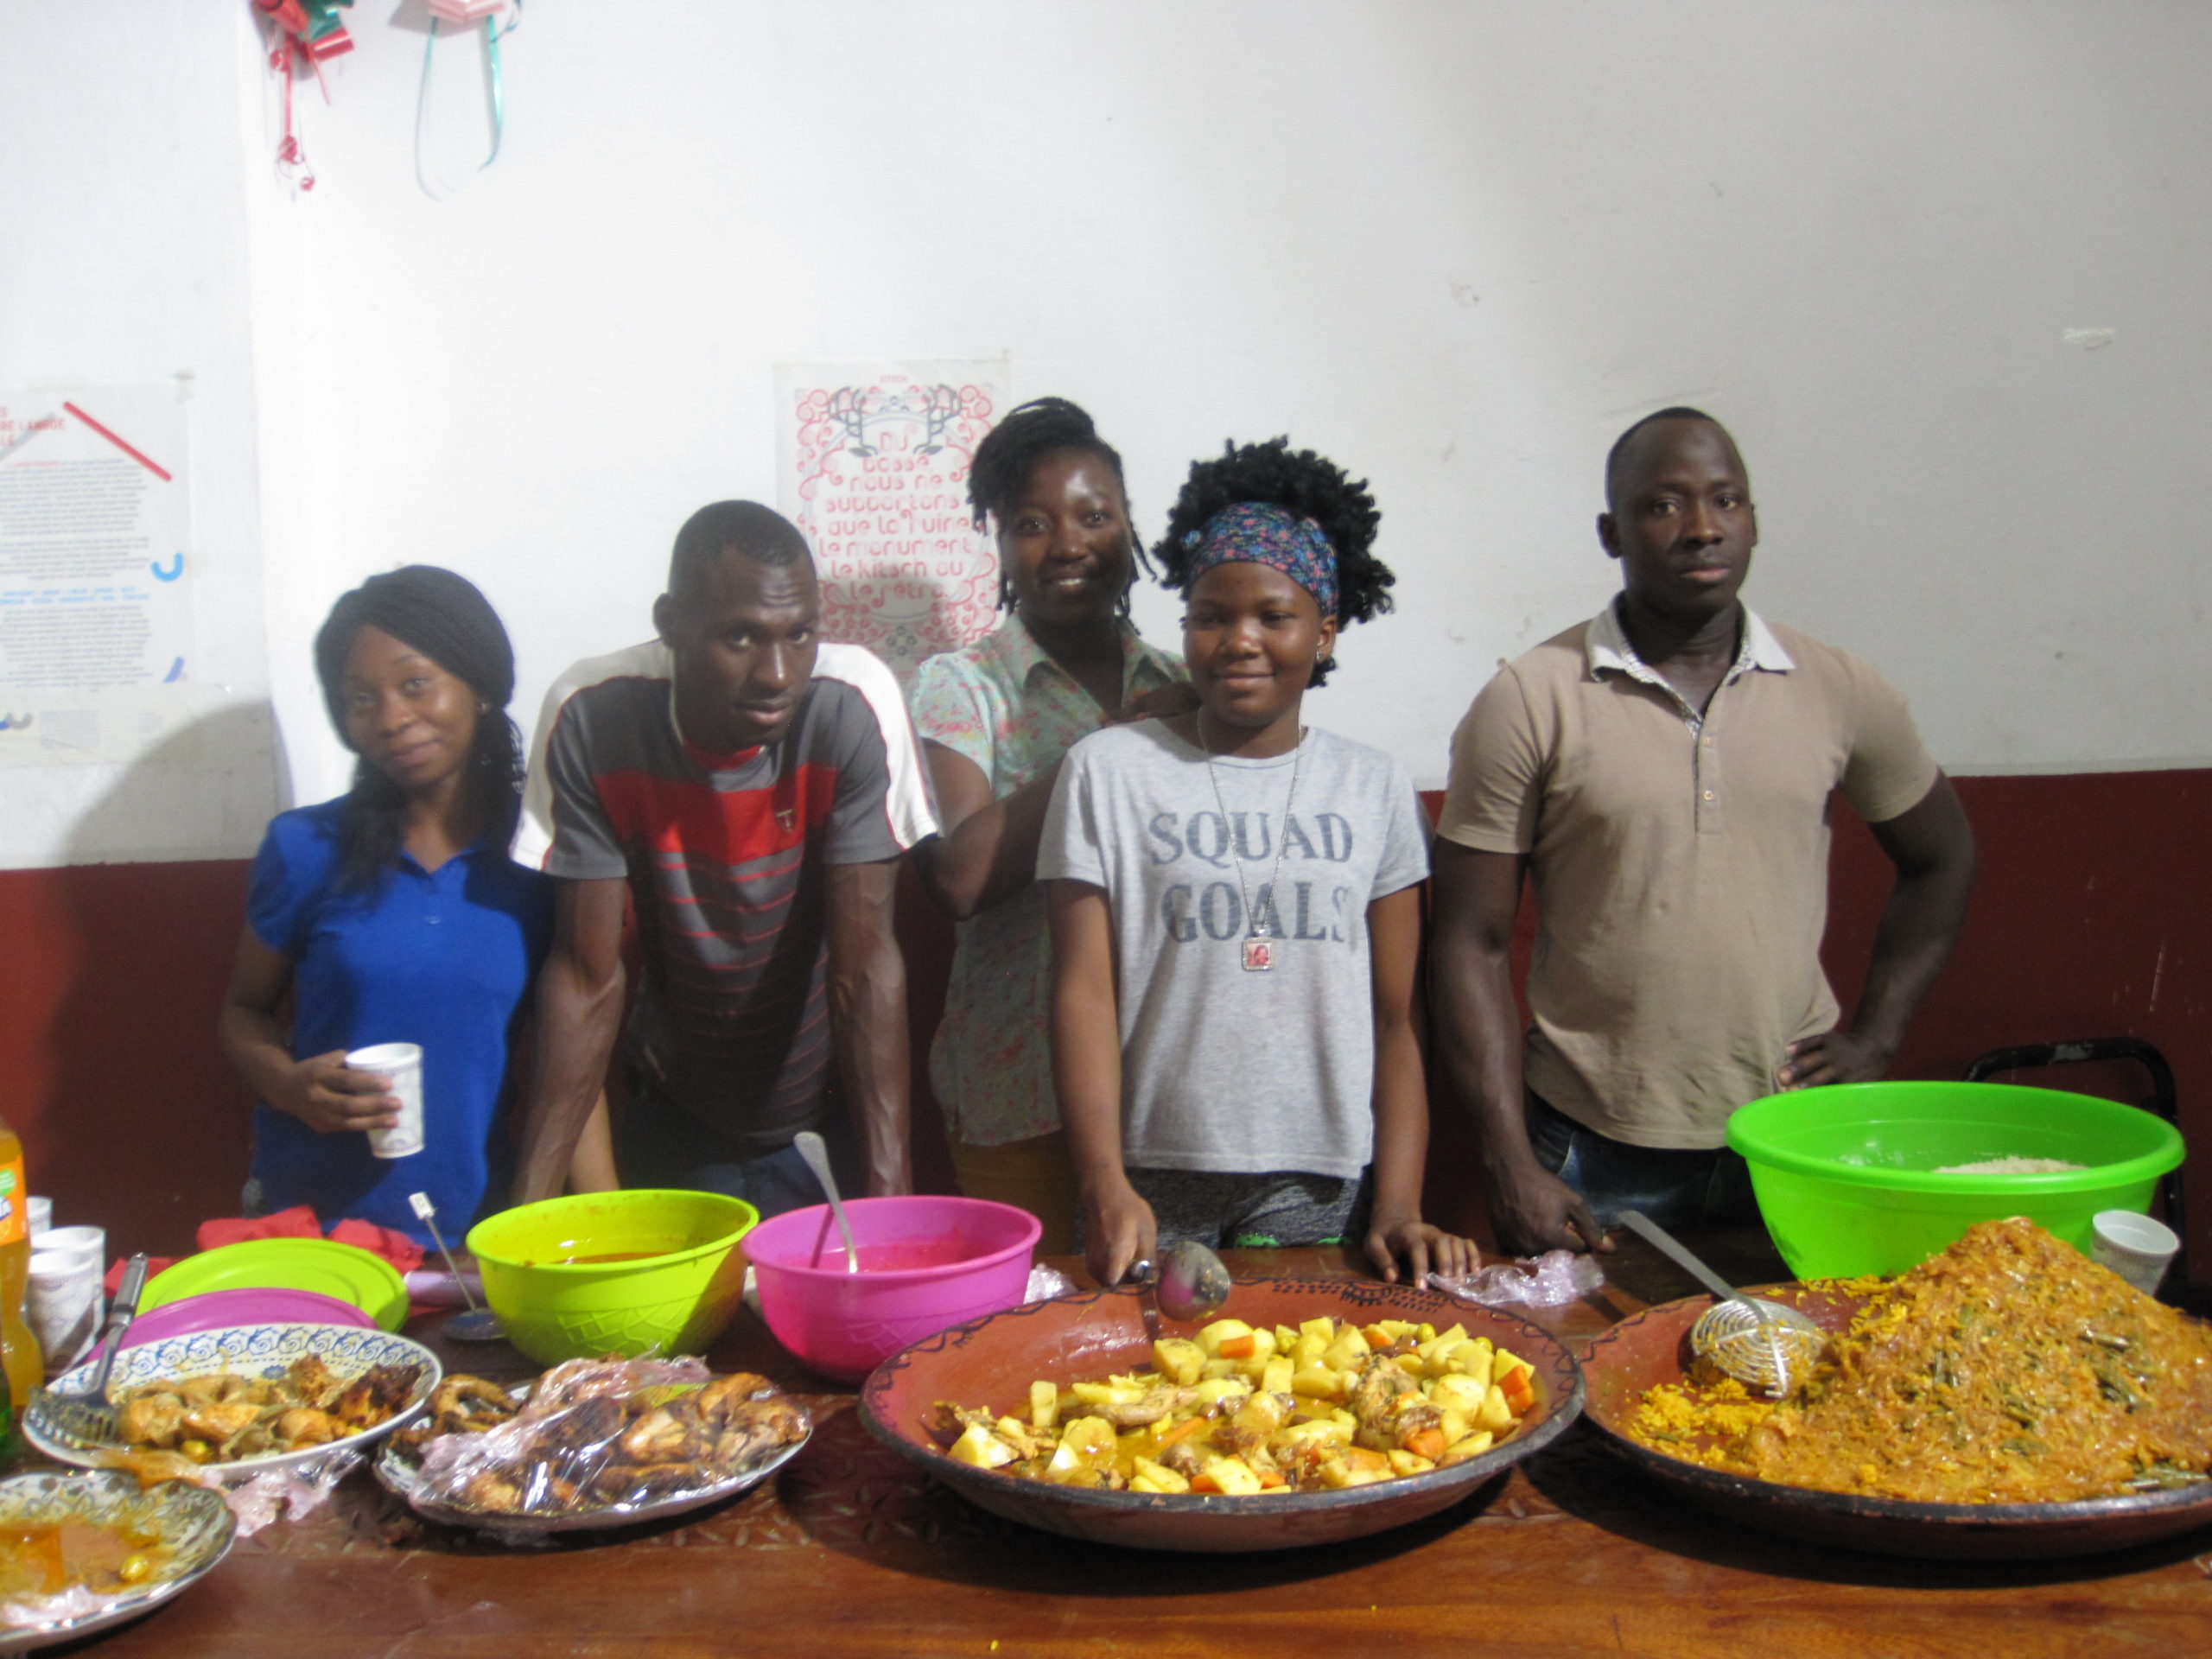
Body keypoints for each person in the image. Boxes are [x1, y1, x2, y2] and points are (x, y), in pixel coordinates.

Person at [1429, 408, 1978, 1255]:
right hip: (1587, 1147)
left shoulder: (1837, 687)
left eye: (1726, 500)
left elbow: (1942, 858)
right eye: (1663, 506)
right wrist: (1506, 1161)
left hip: (1793, 1140)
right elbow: (1468, 939)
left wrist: (1874, 1039)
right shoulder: (1532, 696)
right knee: (1597, 1383)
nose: (1700, 528)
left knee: (1797, 1377)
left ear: (1753, 520)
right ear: (1611, 532)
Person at [1041, 437, 1478, 1289]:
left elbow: (1397, 1019)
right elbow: (1080, 992)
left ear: (1324, 631)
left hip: (1317, 1177)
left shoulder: (1373, 784)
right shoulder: (1108, 772)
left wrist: (1397, 1202)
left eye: (1272, 617)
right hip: (1150, 1172)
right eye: (1211, 616)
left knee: (1301, 1402)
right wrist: (1102, 1184)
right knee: (1156, 1401)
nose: (1240, 641)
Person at [511, 501, 936, 1213]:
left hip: (822, 1122)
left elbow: (864, 970)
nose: (777, 673)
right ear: (671, 624)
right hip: (676, 1112)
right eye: (740, 637)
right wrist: (524, 1221)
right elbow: (586, 980)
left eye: (799, 635)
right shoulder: (594, 714)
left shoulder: (851, 704)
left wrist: (892, 1210)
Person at [219, 566, 612, 1246]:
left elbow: (573, 1063)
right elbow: (241, 1012)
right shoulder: (306, 847)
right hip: (313, 1232)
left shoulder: (542, 858)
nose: (393, 718)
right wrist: (289, 1087)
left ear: (480, 685)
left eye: (415, 684)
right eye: (361, 698)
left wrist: (606, 1226)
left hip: (472, 1233)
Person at [909, 397, 1192, 1253]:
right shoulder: (960, 687)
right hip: (1013, 1089)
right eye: (1032, 523)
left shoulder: (1187, 680)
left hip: (1162, 1091)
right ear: (998, 544)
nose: (1068, 542)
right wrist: (1110, 750)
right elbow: (958, 878)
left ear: (1129, 529)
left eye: (1094, 516)